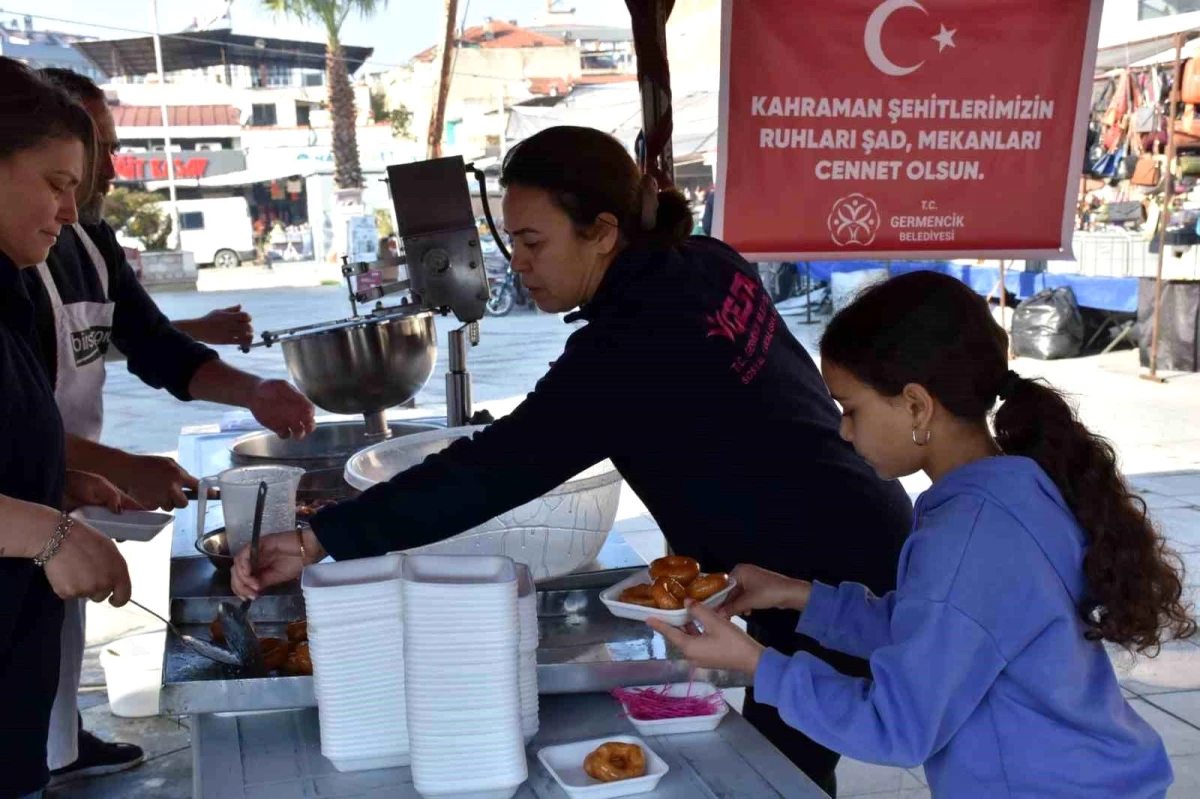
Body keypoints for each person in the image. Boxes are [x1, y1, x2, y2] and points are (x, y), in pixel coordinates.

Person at [234, 125, 913, 794]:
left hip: (829, 572)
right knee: (786, 755)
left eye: (534, 242)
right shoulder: (706, 260)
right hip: (840, 536)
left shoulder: (629, 345)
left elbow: (491, 468)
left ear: (604, 231)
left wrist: (322, 536)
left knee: (785, 768)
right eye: (510, 241)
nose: (517, 262)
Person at [652, 271, 1194, 798]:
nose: (843, 430)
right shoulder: (1016, 487)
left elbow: (896, 726)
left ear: (916, 404)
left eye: (850, 408)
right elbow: (936, 629)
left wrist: (756, 663)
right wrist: (800, 596)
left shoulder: (966, 537)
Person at [30, 67, 316, 787]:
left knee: (57, 631)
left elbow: (159, 348)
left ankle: (57, 745)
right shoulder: (17, 260)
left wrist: (256, 390)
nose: (105, 170)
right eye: (90, 152)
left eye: (105, 149)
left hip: (62, 480)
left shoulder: (88, 241)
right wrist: (123, 467)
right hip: (27, 489)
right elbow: (14, 421)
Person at [0, 57, 135, 799]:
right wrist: (49, 532)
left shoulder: (10, 290)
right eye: (54, 185)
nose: (66, 209)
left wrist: (52, 480)